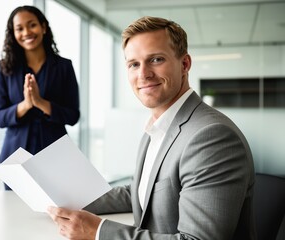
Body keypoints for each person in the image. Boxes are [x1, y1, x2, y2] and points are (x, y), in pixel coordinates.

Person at [47, 16, 256, 239]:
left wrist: (98, 232)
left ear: (184, 64)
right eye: (134, 64)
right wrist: (67, 201)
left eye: (156, 59)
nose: (143, 74)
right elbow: (140, 191)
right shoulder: (158, 127)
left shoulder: (211, 137)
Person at [0, 5, 80, 190]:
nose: (26, 32)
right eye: (20, 28)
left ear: (43, 27)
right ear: (13, 33)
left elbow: (73, 115)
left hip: (55, 156)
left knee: (57, 214)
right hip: (14, 159)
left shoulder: (64, 67)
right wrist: (25, 105)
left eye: (32, 25)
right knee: (14, 214)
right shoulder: (4, 68)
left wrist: (41, 103)